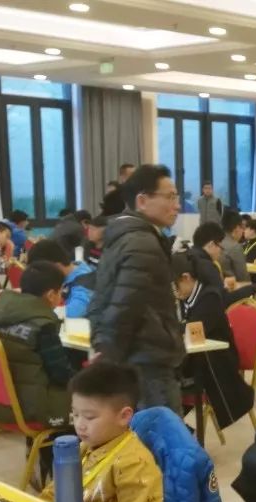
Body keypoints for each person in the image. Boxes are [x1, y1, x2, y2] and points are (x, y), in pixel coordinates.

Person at [87, 164, 186, 414]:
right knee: (159, 432)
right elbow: (125, 305)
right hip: (147, 360)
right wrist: (108, 354)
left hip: (135, 355)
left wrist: (102, 345)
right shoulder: (142, 242)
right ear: (142, 201)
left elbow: (102, 300)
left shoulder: (124, 235)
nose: (177, 206)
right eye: (170, 197)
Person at [40, 362, 167, 502]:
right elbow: (53, 495)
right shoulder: (84, 447)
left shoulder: (133, 463)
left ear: (124, 416)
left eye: (89, 417)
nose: (80, 425)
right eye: (75, 415)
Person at [0, 262, 77, 428]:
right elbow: (60, 374)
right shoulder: (43, 326)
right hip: (36, 408)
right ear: (51, 295)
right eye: (61, 292)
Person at [170, 253, 254, 429]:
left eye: (175, 285)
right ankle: (176, 425)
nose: (174, 292)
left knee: (165, 378)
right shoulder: (188, 297)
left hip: (218, 360)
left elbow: (192, 329)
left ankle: (175, 425)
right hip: (199, 357)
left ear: (186, 278)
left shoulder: (209, 297)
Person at [27, 238, 95, 319]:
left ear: (56, 266)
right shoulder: (68, 271)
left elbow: (75, 312)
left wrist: (36, 312)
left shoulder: (85, 281)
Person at [219, 210, 251, 284]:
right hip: (232, 287)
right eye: (242, 228)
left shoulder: (215, 243)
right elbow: (243, 278)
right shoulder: (235, 247)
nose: (243, 231)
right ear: (236, 228)